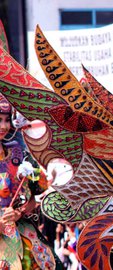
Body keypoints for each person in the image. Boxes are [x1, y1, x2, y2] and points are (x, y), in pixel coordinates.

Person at [0, 96, 60, 269]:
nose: (3, 126)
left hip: (24, 238)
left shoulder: (20, 156)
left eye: (6, 120)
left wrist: (19, 212)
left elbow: (34, 198)